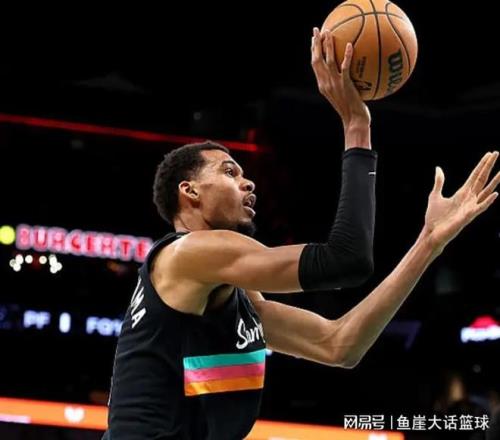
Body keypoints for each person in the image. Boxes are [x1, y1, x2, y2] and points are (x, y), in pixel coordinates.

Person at [102, 29, 500, 440]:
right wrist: (356, 126)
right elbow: (346, 260)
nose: (247, 182)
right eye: (229, 171)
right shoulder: (190, 253)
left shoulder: (237, 300)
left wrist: (429, 242)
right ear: (189, 192)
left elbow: (340, 345)